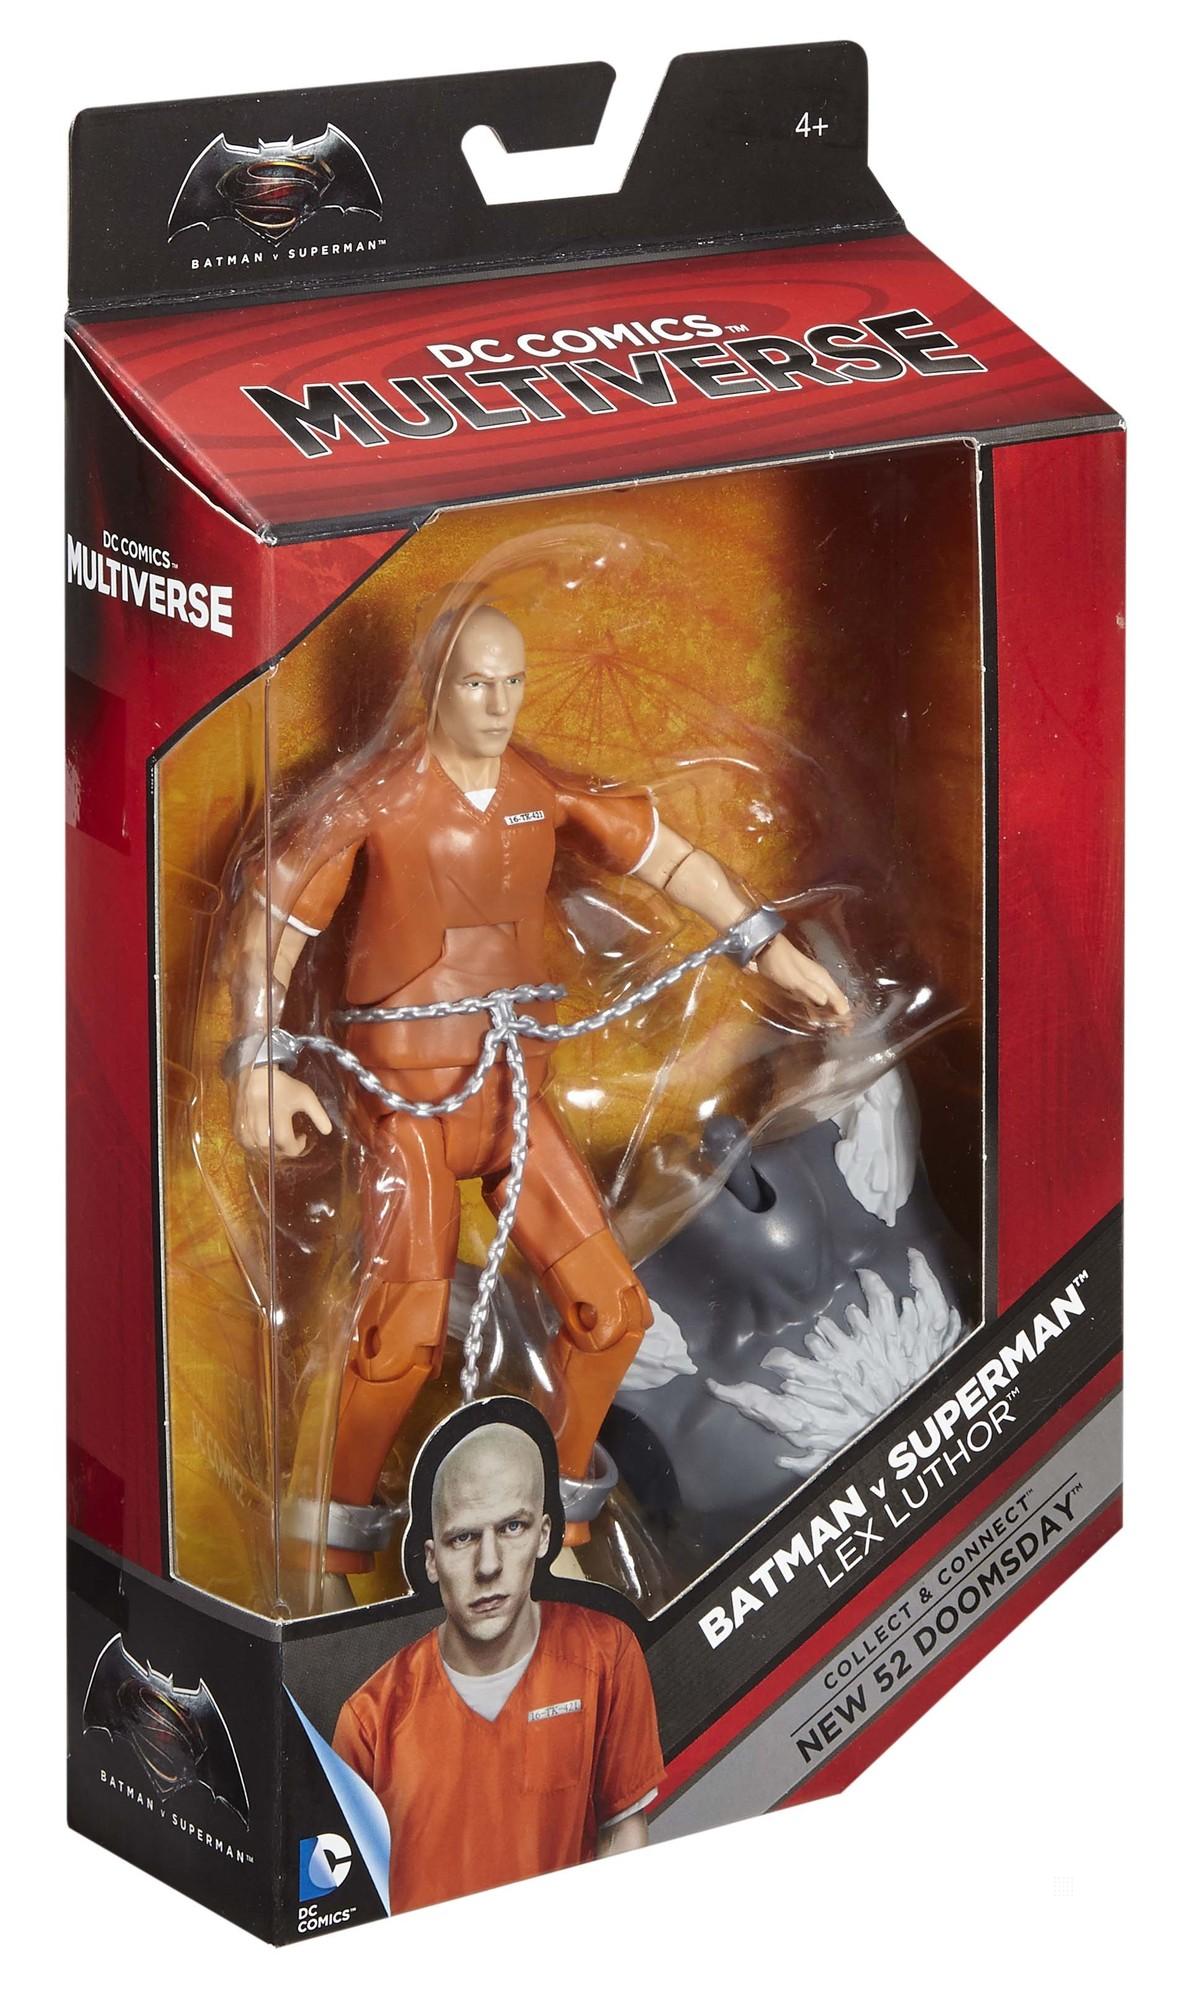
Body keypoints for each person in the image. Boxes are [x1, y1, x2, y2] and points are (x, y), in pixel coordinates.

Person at [228, 598, 848, 1574]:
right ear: (435, 684)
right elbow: (272, 914)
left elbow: (667, 856)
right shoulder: (376, 799)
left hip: (514, 1089)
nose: (498, 704)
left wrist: (766, 947)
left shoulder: (536, 788)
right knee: (402, 1337)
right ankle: (329, 1543)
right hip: (407, 1103)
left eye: (512, 683)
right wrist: (256, 1063)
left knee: (612, 1316)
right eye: (477, 683)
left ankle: (554, 1522)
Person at [332, 1417, 665, 1913]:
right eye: (463, 1538)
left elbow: (623, 1832)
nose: (488, 1565)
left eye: (512, 1528)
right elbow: (342, 1891)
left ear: (543, 1535)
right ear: (432, 1560)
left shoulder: (605, 1654)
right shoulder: (370, 1721)